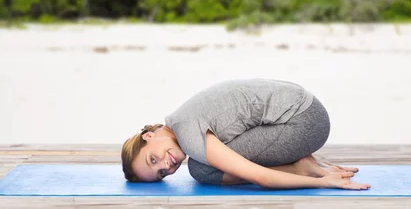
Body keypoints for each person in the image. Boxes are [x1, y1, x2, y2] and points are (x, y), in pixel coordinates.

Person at [121, 78, 371, 190]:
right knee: (202, 165)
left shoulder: (188, 133)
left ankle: (301, 167)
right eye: (162, 174)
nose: (166, 166)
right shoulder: (179, 117)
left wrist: (322, 182)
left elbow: (261, 177)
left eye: (152, 160)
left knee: (202, 170)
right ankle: (301, 162)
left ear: (148, 136)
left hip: (305, 122)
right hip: (306, 107)